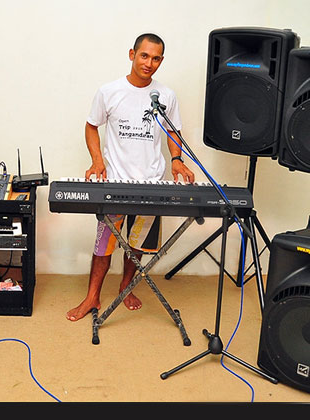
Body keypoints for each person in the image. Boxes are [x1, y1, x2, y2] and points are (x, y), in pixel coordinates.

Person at [66, 33, 195, 322]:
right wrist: (97, 160)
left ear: (161, 61)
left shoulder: (166, 96)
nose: (149, 63)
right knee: (104, 245)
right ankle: (92, 296)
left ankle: (126, 287)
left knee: (137, 244)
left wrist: (177, 160)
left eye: (156, 58)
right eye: (144, 55)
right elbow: (91, 126)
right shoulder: (109, 91)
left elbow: (173, 131)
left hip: (151, 181)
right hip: (115, 182)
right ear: (132, 54)